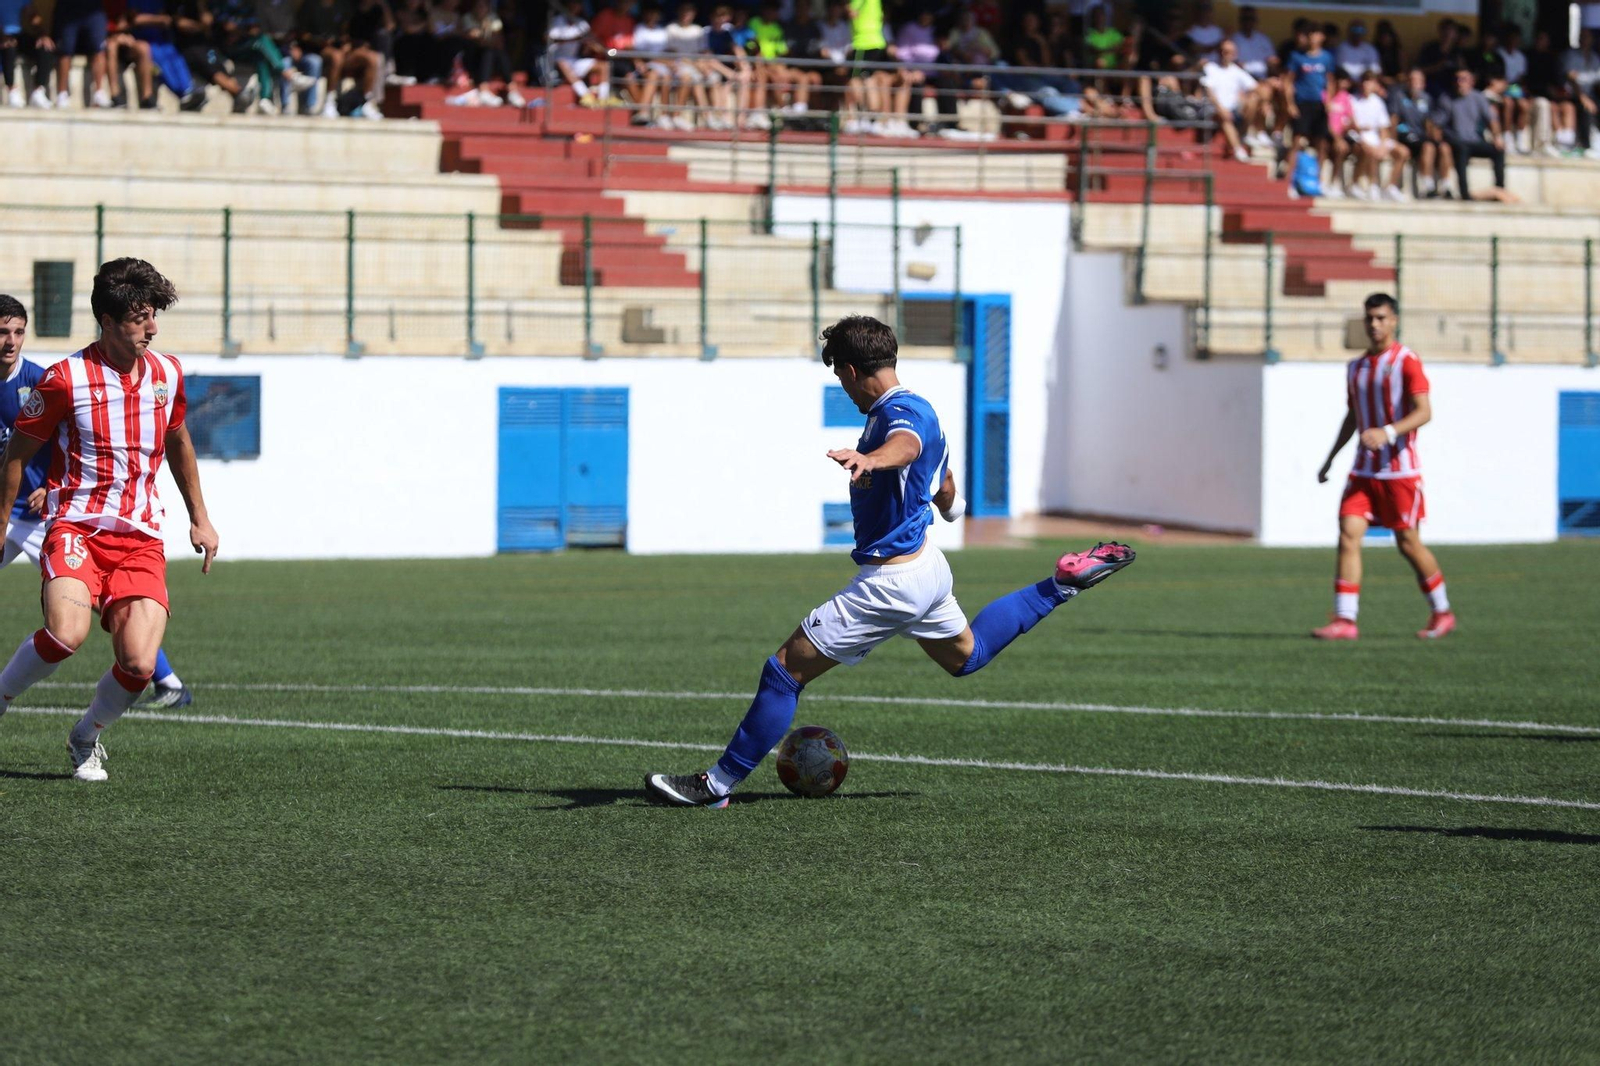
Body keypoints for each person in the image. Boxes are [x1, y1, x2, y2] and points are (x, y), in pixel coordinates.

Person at [644, 316, 1136, 807]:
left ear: (854, 369)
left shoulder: (895, 417)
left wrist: (873, 461)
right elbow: (941, 479)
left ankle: (715, 786)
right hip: (926, 568)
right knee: (969, 656)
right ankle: (1061, 584)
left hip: (892, 582)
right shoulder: (922, 407)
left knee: (783, 672)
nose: (844, 387)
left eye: (840, 376)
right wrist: (951, 507)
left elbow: (906, 448)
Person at [0, 261, 219, 781]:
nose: (153, 328)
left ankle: (86, 736)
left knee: (141, 664)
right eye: (141, 319)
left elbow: (178, 441)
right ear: (107, 320)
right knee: (66, 633)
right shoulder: (63, 379)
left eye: (153, 317)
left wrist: (200, 518)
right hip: (75, 528)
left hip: (140, 538)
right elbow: (15, 453)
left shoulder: (167, 374)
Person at [1314, 293, 1452, 642]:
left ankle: (1442, 610)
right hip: (1363, 471)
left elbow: (1424, 411)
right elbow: (1353, 416)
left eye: (1381, 318)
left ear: (1393, 321)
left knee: (1407, 542)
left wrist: (1388, 432)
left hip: (1399, 472)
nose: (1374, 325)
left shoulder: (1406, 361)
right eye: (1369, 319)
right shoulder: (1355, 367)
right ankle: (1346, 620)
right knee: (1348, 534)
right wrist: (1331, 457)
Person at [1433, 67, 1504, 199]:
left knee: (1498, 150)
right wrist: (1438, 142)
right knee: (1462, 149)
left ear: (1471, 82)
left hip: (1474, 140)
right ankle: (1464, 192)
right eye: (1457, 79)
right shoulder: (1446, 99)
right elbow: (1437, 124)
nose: (1460, 82)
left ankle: (1500, 189)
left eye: (1464, 79)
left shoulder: (1479, 98)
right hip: (1456, 141)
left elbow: (1492, 120)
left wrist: (1497, 137)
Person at [1389, 66, 1451, 198]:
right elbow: (1394, 119)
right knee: (1428, 147)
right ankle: (1427, 186)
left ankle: (1446, 186)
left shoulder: (1426, 98)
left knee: (1444, 147)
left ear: (1423, 83)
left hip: (1420, 136)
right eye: (1412, 80)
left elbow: (1428, 121)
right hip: (1404, 134)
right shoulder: (1399, 96)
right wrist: (1392, 141)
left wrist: (1435, 136)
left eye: (1418, 80)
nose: (1414, 83)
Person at [1347, 69, 1407, 200]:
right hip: (1358, 137)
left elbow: (1384, 127)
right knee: (1371, 151)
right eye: (1365, 81)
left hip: (1375, 137)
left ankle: (1390, 187)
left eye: (1370, 82)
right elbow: (1352, 126)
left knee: (1403, 152)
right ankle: (1373, 186)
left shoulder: (1378, 101)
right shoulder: (1352, 100)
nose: (1366, 85)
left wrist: (1383, 143)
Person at [1202, 38, 1258, 162]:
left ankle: (1242, 135)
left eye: (1230, 52)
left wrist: (1244, 97)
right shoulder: (1210, 67)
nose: (1227, 54)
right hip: (1214, 109)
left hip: (1233, 108)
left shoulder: (1237, 71)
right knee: (1224, 117)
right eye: (1224, 51)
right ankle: (1238, 148)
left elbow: (1254, 88)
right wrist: (1220, 108)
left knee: (1253, 100)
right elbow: (1209, 91)